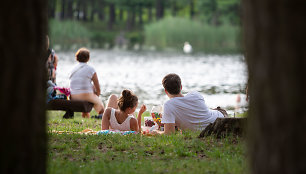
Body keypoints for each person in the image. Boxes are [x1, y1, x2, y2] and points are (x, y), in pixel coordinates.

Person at [157, 73, 227, 135]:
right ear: (181, 87)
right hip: (219, 121)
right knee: (209, 111)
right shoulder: (195, 94)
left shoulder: (168, 105)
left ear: (166, 91)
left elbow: (169, 133)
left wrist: (156, 132)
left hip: (212, 125)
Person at [69, 48, 104, 118]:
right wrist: (96, 96)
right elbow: (98, 88)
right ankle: (100, 116)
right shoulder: (91, 69)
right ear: (88, 58)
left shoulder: (72, 69)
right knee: (102, 109)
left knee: (88, 97)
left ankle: (86, 117)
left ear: (77, 58)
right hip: (86, 95)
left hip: (73, 95)